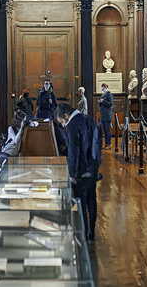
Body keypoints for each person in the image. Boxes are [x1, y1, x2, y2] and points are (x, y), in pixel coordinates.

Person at [59, 99, 102, 242]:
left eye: (61, 122)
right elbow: (96, 144)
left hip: (80, 172)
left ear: (66, 116)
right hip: (92, 169)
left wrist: (72, 174)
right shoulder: (88, 119)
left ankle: (82, 235)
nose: (63, 126)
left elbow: (74, 152)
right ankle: (92, 233)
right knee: (92, 200)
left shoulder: (72, 126)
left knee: (81, 203)